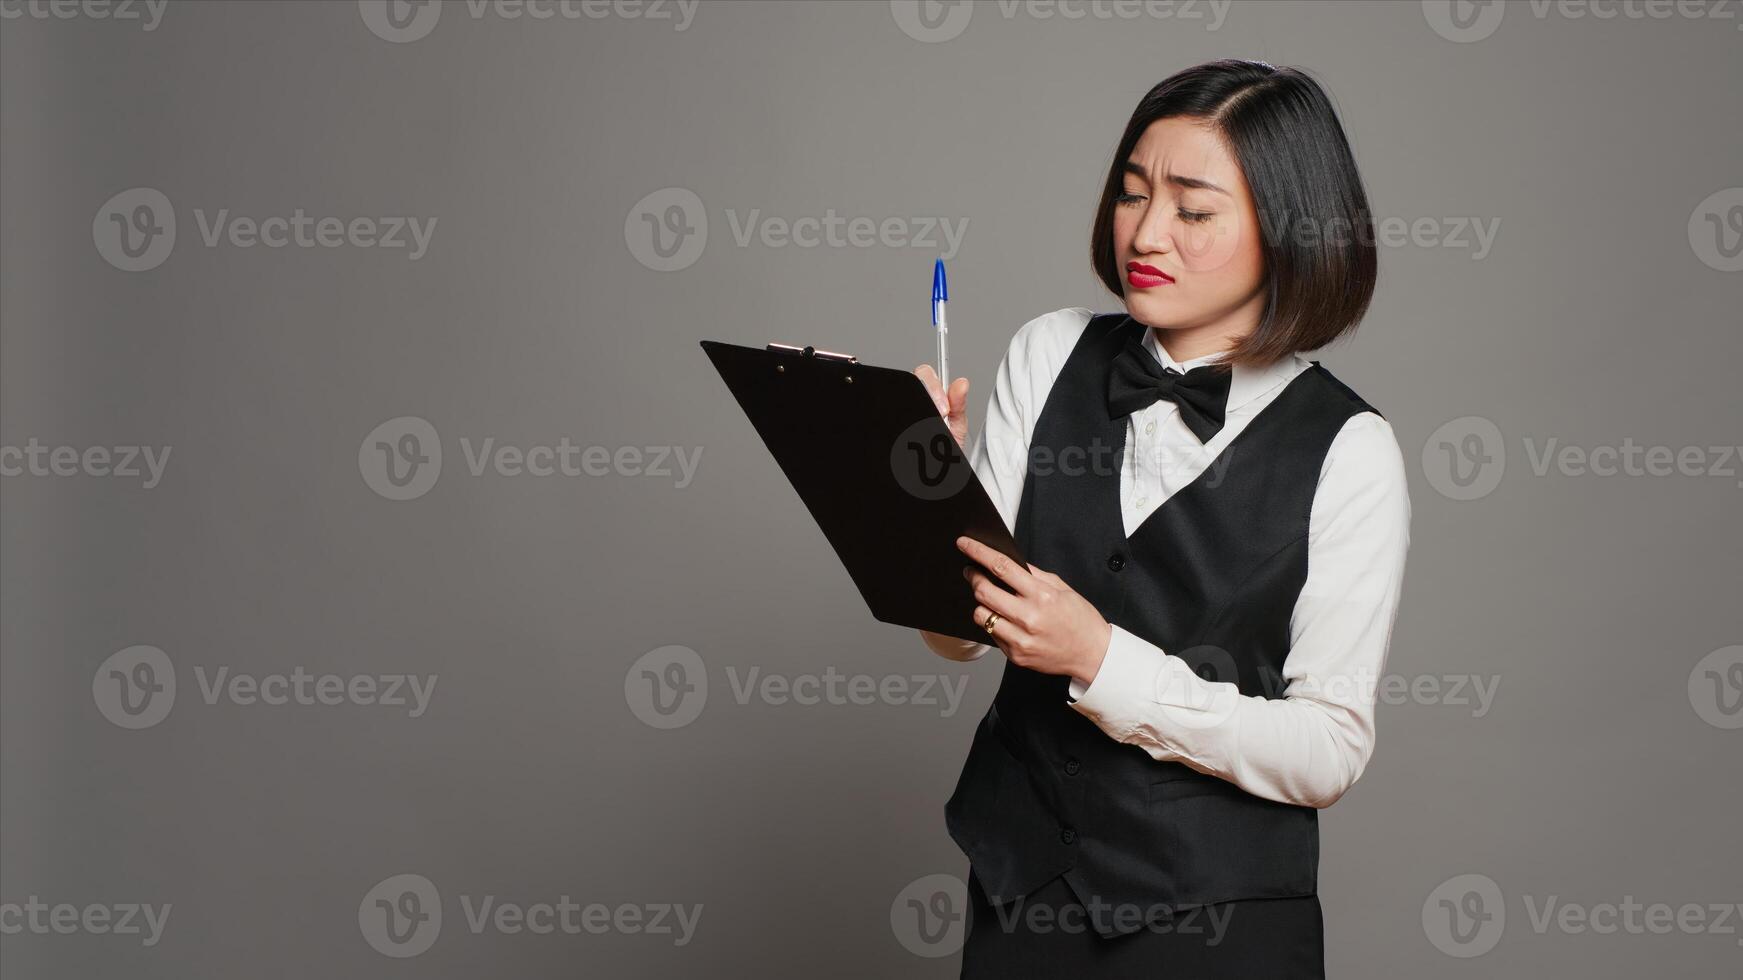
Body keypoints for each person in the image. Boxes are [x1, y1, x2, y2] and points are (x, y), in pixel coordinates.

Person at [913, 59, 1412, 978]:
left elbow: (1328, 750)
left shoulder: (1350, 451)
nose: (1146, 232)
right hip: (1021, 896)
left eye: (1192, 209)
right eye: (1132, 193)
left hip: (1219, 931)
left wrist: (1102, 661)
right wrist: (929, 497)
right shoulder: (1048, 350)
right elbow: (963, 636)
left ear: (1289, 232)